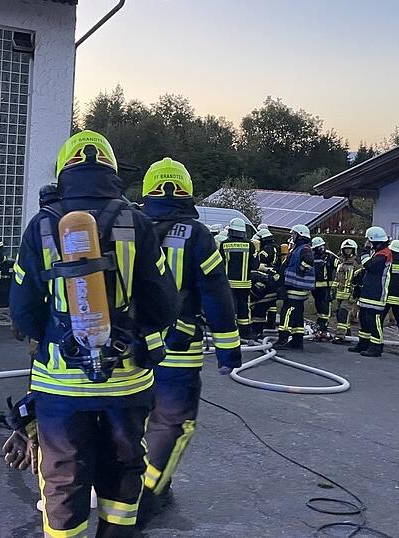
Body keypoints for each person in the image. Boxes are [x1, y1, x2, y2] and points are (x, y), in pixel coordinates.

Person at [9, 130, 180, 537]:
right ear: (112, 170)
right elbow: (164, 303)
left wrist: (47, 338)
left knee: (63, 478)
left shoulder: (42, 225)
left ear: (63, 171)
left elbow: (22, 310)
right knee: (123, 469)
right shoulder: (135, 220)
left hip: (60, 383)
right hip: (126, 381)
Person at [138, 157, 242, 519]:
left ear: (149, 191)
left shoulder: (127, 226)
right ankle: (148, 493)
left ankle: (125, 486)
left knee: (133, 419)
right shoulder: (198, 236)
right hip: (178, 350)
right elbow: (216, 294)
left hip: (131, 350)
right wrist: (229, 352)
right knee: (172, 423)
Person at [348, 226, 392, 357]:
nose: (367, 243)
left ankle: (376, 346)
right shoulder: (379, 252)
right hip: (368, 291)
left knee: (374, 320)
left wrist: (365, 251)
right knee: (364, 318)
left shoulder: (385, 254)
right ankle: (363, 343)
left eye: (369, 241)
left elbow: (369, 265)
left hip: (377, 293)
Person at [275, 225, 315, 350]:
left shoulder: (305, 249)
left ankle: (283, 338)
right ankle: (297, 341)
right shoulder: (298, 248)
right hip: (294, 287)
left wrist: (301, 270)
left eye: (294, 235)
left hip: (296, 288)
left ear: (300, 236)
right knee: (297, 315)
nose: (292, 237)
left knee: (287, 312)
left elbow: (309, 260)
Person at [221, 218, 257, 340]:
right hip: (244, 283)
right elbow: (255, 265)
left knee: (228, 306)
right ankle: (245, 332)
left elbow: (220, 263)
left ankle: (227, 330)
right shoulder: (250, 245)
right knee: (243, 307)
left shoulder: (224, 244)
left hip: (228, 284)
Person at [250, 228, 280, 337]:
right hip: (273, 279)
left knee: (259, 308)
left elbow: (260, 260)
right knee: (265, 306)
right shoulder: (277, 247)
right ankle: (259, 330)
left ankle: (256, 331)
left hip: (267, 280)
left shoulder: (267, 249)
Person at [331, 239, 361, 344]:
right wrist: (333, 290)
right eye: (345, 249)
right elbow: (337, 278)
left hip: (349, 294)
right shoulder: (340, 263)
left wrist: (354, 295)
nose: (347, 251)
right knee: (341, 314)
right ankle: (347, 334)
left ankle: (340, 336)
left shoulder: (356, 264)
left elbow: (358, 281)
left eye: (349, 249)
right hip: (340, 294)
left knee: (343, 313)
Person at [310, 236, 337, 341]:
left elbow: (339, 267)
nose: (319, 250)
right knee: (319, 307)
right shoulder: (313, 256)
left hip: (326, 287)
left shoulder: (330, 256)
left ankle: (323, 328)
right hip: (315, 288)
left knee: (325, 309)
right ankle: (320, 328)